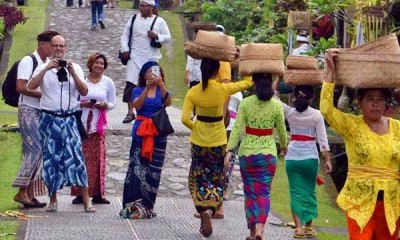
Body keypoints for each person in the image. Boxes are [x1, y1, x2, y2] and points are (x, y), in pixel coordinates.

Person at [321, 50, 400, 239]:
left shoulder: (397, 128)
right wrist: (330, 73)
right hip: (359, 200)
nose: (375, 104)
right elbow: (327, 110)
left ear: (386, 104)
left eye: (380, 100)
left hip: (391, 202)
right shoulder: (352, 125)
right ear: (359, 102)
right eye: (370, 99)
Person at [181, 58, 252, 237]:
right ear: (216, 72)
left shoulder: (193, 91)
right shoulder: (223, 89)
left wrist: (196, 127)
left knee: (197, 176)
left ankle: (202, 206)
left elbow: (184, 119)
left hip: (198, 142)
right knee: (217, 177)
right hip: (218, 141)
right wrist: (245, 63)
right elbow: (247, 83)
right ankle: (211, 210)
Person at [27, 35, 95, 213]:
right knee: (51, 159)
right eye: (55, 46)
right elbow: (31, 86)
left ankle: (87, 200)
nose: (58, 49)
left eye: (61, 46)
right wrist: (46, 69)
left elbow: (84, 91)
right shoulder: (43, 67)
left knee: (77, 158)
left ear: (66, 47)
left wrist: (73, 73)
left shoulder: (76, 67)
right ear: (49, 47)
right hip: (49, 118)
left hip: (70, 118)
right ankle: (53, 200)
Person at [224, 73, 287, 240]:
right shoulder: (276, 105)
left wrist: (230, 150)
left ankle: (252, 233)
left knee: (250, 194)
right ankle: (260, 229)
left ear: (254, 85)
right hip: (268, 154)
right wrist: (284, 146)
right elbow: (281, 129)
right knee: (264, 193)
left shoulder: (246, 103)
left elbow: (237, 128)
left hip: (248, 154)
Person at [272, 79, 332, 238]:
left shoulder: (289, 113)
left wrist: (278, 78)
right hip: (310, 159)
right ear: (312, 98)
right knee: (309, 192)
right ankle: (308, 228)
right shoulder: (317, 115)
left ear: (294, 96)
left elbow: (273, 95)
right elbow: (323, 140)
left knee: (295, 192)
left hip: (292, 159)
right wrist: (327, 160)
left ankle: (298, 228)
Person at [12, 30, 60, 208]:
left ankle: (30, 193)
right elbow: (20, 87)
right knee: (35, 150)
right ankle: (22, 191)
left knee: (41, 152)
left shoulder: (48, 63)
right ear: (42, 44)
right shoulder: (28, 61)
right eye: (52, 45)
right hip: (28, 110)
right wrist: (44, 95)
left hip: (43, 111)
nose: (54, 48)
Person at [121, 61, 172, 218]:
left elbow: (168, 102)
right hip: (141, 132)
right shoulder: (137, 90)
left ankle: (148, 205)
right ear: (143, 76)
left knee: (154, 171)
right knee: (137, 167)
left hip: (158, 133)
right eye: (148, 72)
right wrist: (148, 88)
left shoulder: (161, 91)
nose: (152, 75)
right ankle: (133, 205)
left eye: (155, 72)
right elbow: (137, 105)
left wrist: (161, 84)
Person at [71, 53, 116, 205]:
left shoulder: (108, 82)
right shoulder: (82, 81)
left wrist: (105, 106)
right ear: (90, 64)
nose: (99, 66)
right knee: (81, 158)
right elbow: (73, 102)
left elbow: (112, 102)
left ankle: (98, 194)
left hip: (98, 125)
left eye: (102, 63)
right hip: (83, 124)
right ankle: (79, 193)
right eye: (96, 63)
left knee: (99, 159)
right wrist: (83, 104)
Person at [120, 0, 171, 124]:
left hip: (152, 59)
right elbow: (125, 35)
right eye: (140, 6)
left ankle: (155, 108)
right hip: (135, 57)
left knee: (155, 82)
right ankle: (130, 112)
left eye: (144, 6)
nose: (141, 8)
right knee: (131, 83)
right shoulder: (133, 19)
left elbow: (168, 37)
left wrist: (157, 36)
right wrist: (125, 49)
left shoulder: (159, 21)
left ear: (151, 7)